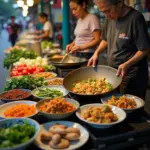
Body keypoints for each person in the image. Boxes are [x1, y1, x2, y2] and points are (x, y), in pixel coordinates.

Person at [88, 0, 150, 100]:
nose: (107, 15)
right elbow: (105, 40)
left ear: (120, 3)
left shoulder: (135, 18)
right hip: (113, 74)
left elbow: (144, 49)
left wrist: (127, 64)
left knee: (129, 109)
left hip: (131, 76)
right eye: (103, 12)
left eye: (108, 10)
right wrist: (96, 53)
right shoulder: (109, 18)